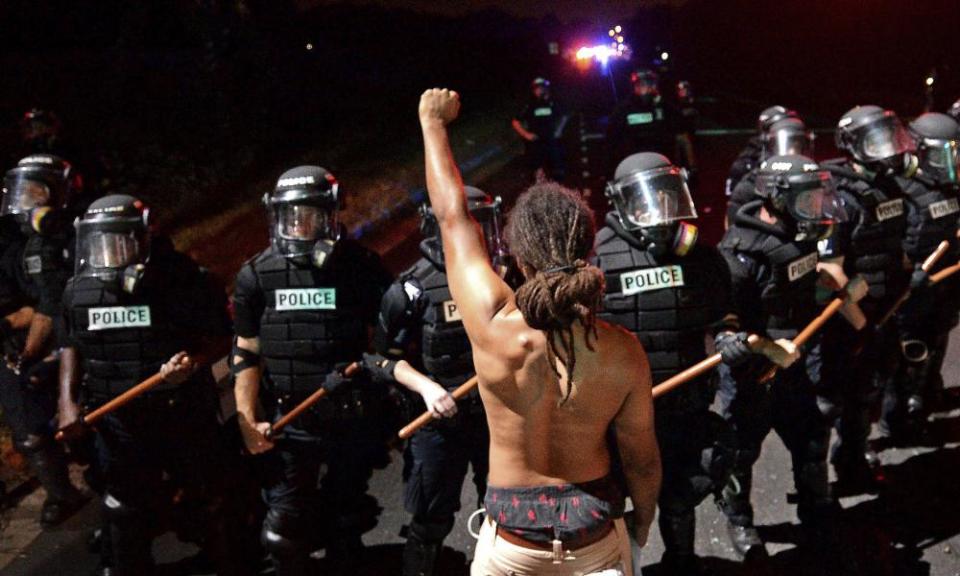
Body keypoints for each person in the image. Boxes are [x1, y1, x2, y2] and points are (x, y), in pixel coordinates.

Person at [419, 87, 660, 576]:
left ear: (516, 257)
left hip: (512, 546)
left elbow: (452, 218)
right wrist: (641, 525)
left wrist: (432, 124)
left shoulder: (492, 329)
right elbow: (641, 462)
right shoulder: (622, 350)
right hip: (593, 540)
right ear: (588, 251)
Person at [57, 194, 246, 574]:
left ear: (142, 239)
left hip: (182, 412)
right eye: (100, 244)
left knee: (207, 497)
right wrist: (67, 404)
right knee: (123, 506)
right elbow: (70, 345)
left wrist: (192, 363)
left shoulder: (183, 280)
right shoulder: (78, 291)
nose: (109, 254)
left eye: (119, 242)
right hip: (117, 421)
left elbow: (223, 337)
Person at [231, 166, 392, 575]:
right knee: (282, 530)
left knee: (346, 519)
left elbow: (389, 339)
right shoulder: (255, 276)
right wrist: (247, 419)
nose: (300, 225)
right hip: (289, 419)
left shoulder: (361, 267)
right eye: (291, 215)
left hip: (350, 415)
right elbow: (247, 350)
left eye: (312, 214)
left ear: (332, 215)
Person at [593, 152, 743, 574]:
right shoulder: (597, 262)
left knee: (681, 493)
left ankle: (682, 561)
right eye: (646, 200)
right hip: (619, 413)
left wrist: (729, 338)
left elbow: (723, 314)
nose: (657, 210)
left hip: (684, 402)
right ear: (621, 203)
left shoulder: (700, 256)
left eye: (666, 198)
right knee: (613, 500)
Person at [716, 155, 864, 559]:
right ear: (779, 199)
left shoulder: (800, 236)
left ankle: (815, 507)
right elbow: (723, 319)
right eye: (809, 200)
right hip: (755, 373)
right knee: (740, 453)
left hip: (796, 365)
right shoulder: (740, 253)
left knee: (812, 438)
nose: (819, 208)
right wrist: (742, 342)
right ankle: (739, 519)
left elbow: (800, 286)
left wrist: (836, 292)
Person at [376, 186, 505, 576]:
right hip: (438, 419)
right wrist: (427, 388)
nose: (474, 235)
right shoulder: (411, 290)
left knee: (501, 514)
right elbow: (383, 359)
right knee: (430, 519)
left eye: (480, 225)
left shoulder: (507, 276)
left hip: (497, 417)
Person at [813, 105, 914, 491]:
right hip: (849, 320)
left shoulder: (888, 186)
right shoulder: (838, 196)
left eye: (892, 137)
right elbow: (831, 271)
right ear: (855, 145)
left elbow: (893, 243)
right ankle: (824, 480)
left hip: (883, 312)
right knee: (836, 399)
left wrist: (908, 273)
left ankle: (853, 456)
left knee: (868, 393)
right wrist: (862, 326)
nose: (889, 148)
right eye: (878, 140)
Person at [0, 154, 86, 527]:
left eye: (34, 191)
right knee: (27, 416)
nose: (24, 201)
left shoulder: (72, 232)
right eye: (22, 192)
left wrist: (31, 347)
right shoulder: (24, 246)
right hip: (50, 334)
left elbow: (49, 304)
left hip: (80, 334)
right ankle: (62, 491)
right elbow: (29, 303)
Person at [881, 111, 960, 441]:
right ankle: (898, 417)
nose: (953, 160)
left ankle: (926, 396)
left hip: (945, 281)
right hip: (912, 287)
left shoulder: (950, 187)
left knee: (938, 337)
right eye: (946, 153)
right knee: (907, 352)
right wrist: (906, 276)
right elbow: (885, 245)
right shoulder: (899, 189)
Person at [726, 115, 813, 226]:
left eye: (797, 144)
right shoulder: (754, 181)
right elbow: (733, 224)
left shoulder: (815, 177)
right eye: (790, 144)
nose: (792, 152)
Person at [607, 70, 694, 179]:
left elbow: (682, 136)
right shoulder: (623, 110)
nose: (646, 88)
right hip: (632, 167)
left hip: (662, 165)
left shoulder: (665, 107)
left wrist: (691, 167)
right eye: (641, 85)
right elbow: (611, 140)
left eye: (650, 85)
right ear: (634, 87)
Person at [726, 106, 800, 197]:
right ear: (766, 135)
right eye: (785, 128)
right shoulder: (745, 164)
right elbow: (736, 201)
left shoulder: (804, 161)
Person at [511, 78, 568, 182]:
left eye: (540, 88)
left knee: (558, 168)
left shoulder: (553, 102)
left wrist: (559, 130)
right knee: (537, 170)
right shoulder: (530, 105)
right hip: (536, 141)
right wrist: (526, 134)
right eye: (536, 89)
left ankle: (558, 187)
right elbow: (515, 122)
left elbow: (564, 116)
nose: (538, 91)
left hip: (551, 139)